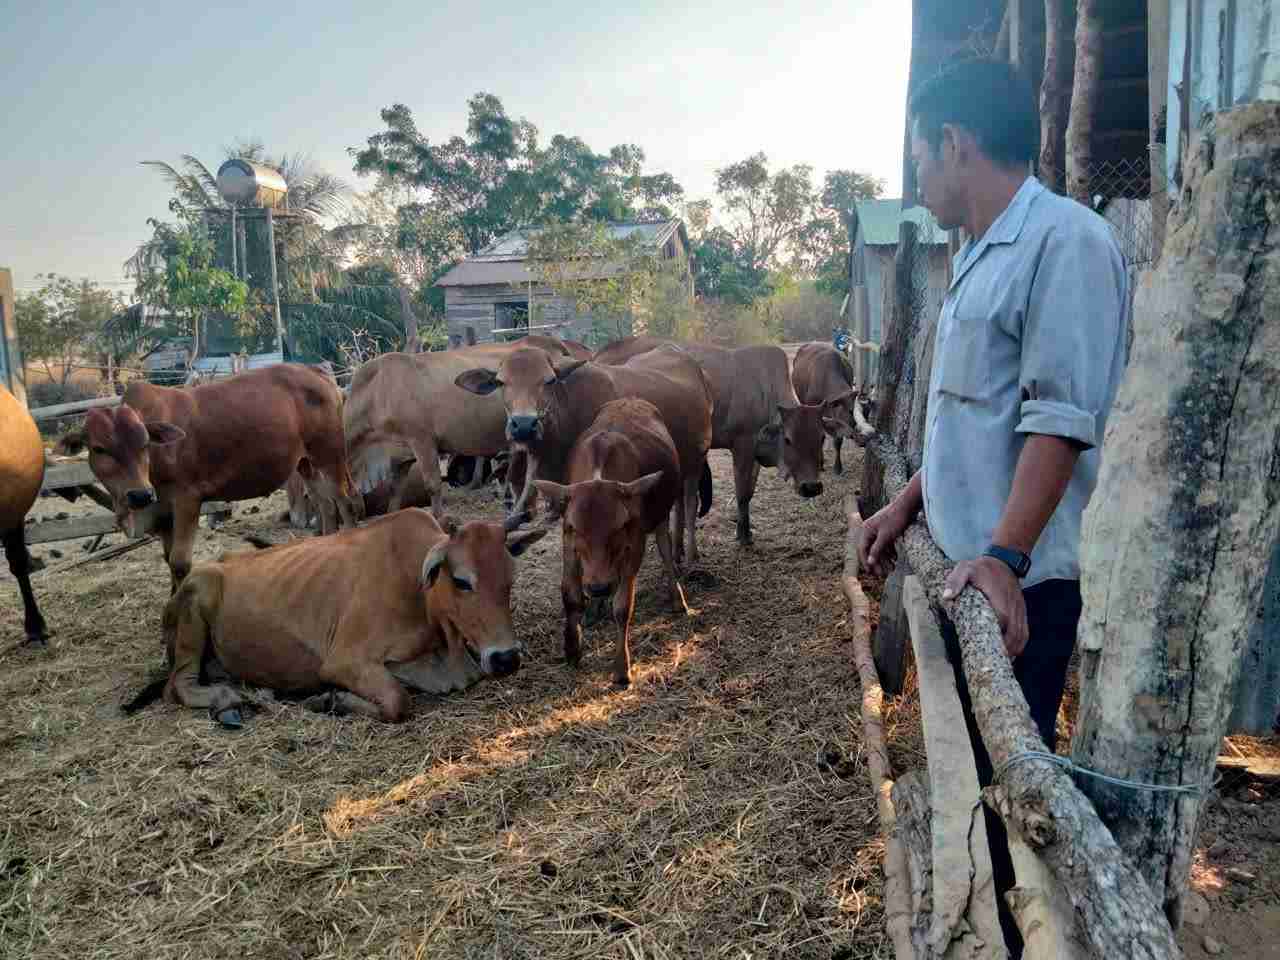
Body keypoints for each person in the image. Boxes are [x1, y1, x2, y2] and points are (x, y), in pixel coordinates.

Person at [858, 58, 1129, 954]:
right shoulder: (975, 257)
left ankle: (1016, 935)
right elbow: (965, 421)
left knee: (1011, 779)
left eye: (920, 155)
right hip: (969, 567)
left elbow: (1059, 421)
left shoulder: (1067, 244)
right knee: (974, 769)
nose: (920, 177)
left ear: (953, 141)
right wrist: (903, 507)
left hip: (1024, 587)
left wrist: (1007, 558)